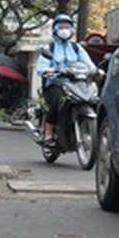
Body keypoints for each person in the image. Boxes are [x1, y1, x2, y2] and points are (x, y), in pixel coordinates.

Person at [35, 13, 96, 143]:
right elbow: (41, 68)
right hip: (55, 84)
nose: (65, 30)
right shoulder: (49, 48)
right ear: (55, 29)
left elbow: (89, 63)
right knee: (58, 101)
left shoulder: (76, 47)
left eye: (68, 27)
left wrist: (95, 71)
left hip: (75, 83)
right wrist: (50, 71)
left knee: (92, 98)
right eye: (61, 26)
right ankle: (49, 131)